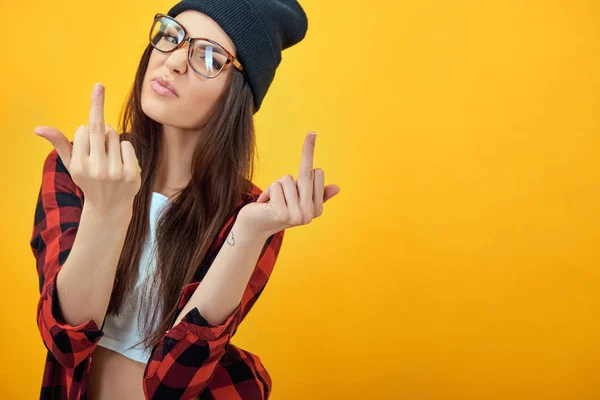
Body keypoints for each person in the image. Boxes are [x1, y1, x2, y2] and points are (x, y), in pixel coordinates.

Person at [30, 1, 340, 399]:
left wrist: (247, 234)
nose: (174, 62)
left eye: (208, 56)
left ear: (238, 93)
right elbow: (65, 342)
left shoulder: (255, 214)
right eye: (172, 36)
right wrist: (106, 209)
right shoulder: (84, 168)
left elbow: (173, 386)